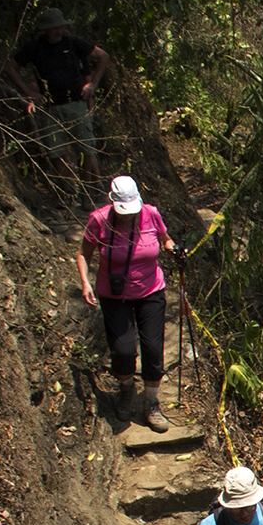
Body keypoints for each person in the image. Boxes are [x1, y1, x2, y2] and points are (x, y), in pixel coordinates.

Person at [80, 175, 179, 429]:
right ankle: (126, 390)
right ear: (111, 202)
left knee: (153, 349)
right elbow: (83, 253)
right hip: (115, 296)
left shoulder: (150, 214)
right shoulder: (99, 220)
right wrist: (85, 282)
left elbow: (165, 237)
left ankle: (151, 403)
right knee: (123, 351)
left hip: (151, 290)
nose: (127, 215)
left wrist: (171, 247)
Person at [4, 8, 109, 191]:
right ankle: (69, 191)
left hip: (76, 103)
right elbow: (10, 67)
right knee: (56, 153)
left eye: (60, 27)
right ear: (45, 29)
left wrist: (92, 84)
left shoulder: (72, 42)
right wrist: (29, 92)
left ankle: (89, 191)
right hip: (50, 108)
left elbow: (102, 56)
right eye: (54, 28)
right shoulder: (35, 47)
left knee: (87, 149)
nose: (58, 31)